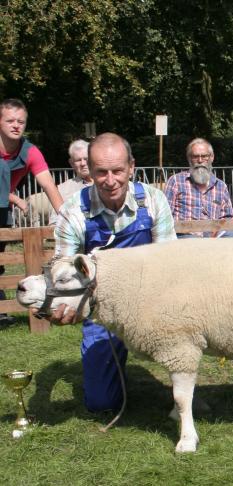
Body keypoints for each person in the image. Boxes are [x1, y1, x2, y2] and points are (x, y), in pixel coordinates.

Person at [46, 132, 176, 412]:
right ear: (89, 171)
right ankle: (112, 373)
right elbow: (63, 265)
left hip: (149, 301)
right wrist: (61, 304)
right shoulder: (73, 210)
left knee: (186, 345)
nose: (110, 180)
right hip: (102, 310)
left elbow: (169, 263)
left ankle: (186, 391)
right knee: (101, 403)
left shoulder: (153, 201)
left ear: (132, 167)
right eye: (101, 172)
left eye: (118, 170)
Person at [0, 98, 64, 326]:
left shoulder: (30, 152)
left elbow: (48, 185)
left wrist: (66, 218)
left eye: (21, 122)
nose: (16, 125)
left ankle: (1, 310)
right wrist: (15, 197)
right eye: (10, 121)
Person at [163, 138, 233, 237]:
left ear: (212, 157)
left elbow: (228, 218)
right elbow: (164, 216)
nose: (200, 160)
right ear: (189, 158)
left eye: (204, 156)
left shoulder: (221, 186)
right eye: (195, 156)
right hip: (185, 236)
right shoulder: (176, 181)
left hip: (215, 238)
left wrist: (218, 232)